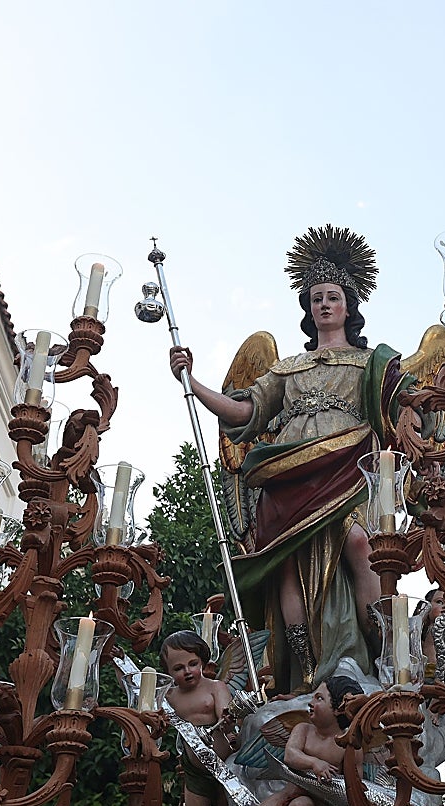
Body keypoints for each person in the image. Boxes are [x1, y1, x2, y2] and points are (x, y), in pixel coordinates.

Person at [169, 225, 416, 694]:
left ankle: (384, 648)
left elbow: (406, 406)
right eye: (315, 298)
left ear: (349, 306)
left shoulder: (373, 364)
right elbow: (245, 411)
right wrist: (192, 381)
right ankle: (301, 671)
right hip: (287, 471)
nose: (323, 304)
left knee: (362, 545)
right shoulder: (288, 368)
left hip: (349, 468)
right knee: (288, 564)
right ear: (308, 309)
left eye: (333, 297)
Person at [205, 675, 363, 806]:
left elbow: (356, 785)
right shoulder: (303, 730)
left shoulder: (349, 745)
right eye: (313, 697)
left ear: (339, 709)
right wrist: (314, 763)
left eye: (319, 698)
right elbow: (290, 755)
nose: (310, 703)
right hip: (289, 793)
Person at [160, 631, 238, 806]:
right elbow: (140, 693)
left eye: (192, 664)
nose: (187, 671)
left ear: (202, 661)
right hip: (194, 769)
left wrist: (227, 718)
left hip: (224, 765)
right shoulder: (170, 697)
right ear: (168, 672)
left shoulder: (215, 687)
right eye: (178, 668)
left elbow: (225, 713)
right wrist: (119, 662)